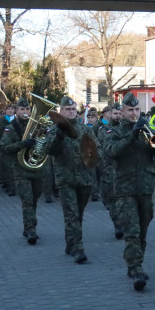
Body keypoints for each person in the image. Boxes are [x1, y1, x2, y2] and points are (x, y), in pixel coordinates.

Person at [101, 92, 155, 291]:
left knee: (143, 229)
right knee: (132, 231)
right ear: (122, 111)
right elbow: (112, 152)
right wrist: (131, 135)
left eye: (137, 109)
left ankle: (136, 262)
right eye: (130, 110)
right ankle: (135, 267)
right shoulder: (113, 131)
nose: (134, 113)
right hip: (124, 188)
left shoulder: (147, 128)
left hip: (145, 186)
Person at [48, 97, 97, 264]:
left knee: (79, 214)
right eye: (68, 109)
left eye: (73, 109)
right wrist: (59, 137)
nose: (71, 112)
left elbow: (95, 150)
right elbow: (49, 150)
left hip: (84, 178)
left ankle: (70, 243)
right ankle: (78, 248)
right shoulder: (54, 130)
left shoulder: (85, 129)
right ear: (61, 111)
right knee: (71, 214)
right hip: (65, 179)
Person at [0, 98, 45, 243]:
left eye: (27, 110)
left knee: (35, 199)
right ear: (16, 111)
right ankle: (31, 230)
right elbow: (4, 148)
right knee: (27, 200)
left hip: (35, 167)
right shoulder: (11, 127)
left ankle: (29, 226)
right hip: (20, 169)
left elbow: (45, 143)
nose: (25, 112)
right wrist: (22, 144)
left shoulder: (37, 125)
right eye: (22, 110)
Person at [96, 103, 125, 239]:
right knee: (112, 200)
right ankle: (117, 224)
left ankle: (124, 223)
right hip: (109, 169)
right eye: (115, 114)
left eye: (120, 114)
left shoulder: (128, 128)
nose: (118, 116)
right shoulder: (104, 129)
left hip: (125, 169)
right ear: (110, 115)